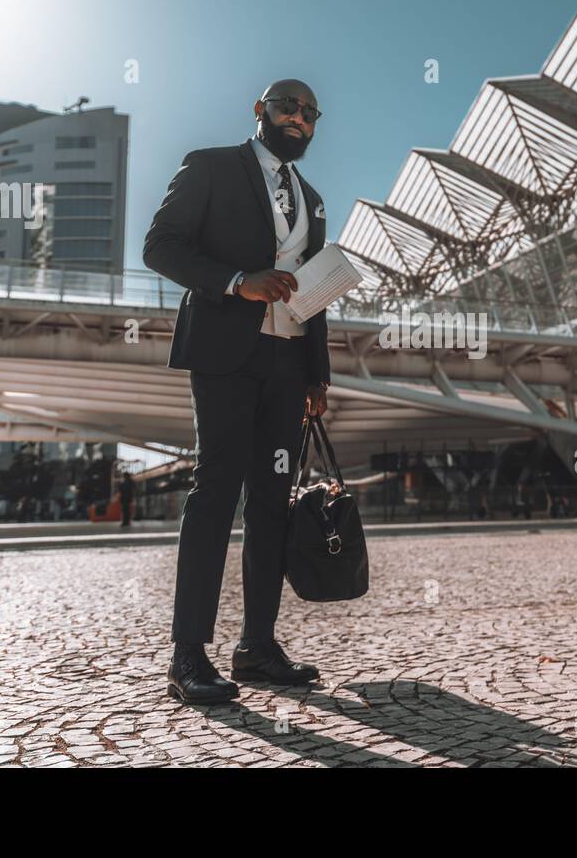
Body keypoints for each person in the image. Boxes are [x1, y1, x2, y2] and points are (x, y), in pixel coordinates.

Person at [144, 79, 333, 706]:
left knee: (272, 502)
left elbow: (315, 288)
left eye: (309, 113)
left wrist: (316, 374)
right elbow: (160, 246)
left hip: (287, 362)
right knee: (215, 492)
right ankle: (188, 654)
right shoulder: (212, 167)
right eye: (287, 106)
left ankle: (256, 647)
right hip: (226, 354)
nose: (298, 119)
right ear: (260, 111)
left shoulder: (313, 198)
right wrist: (236, 282)